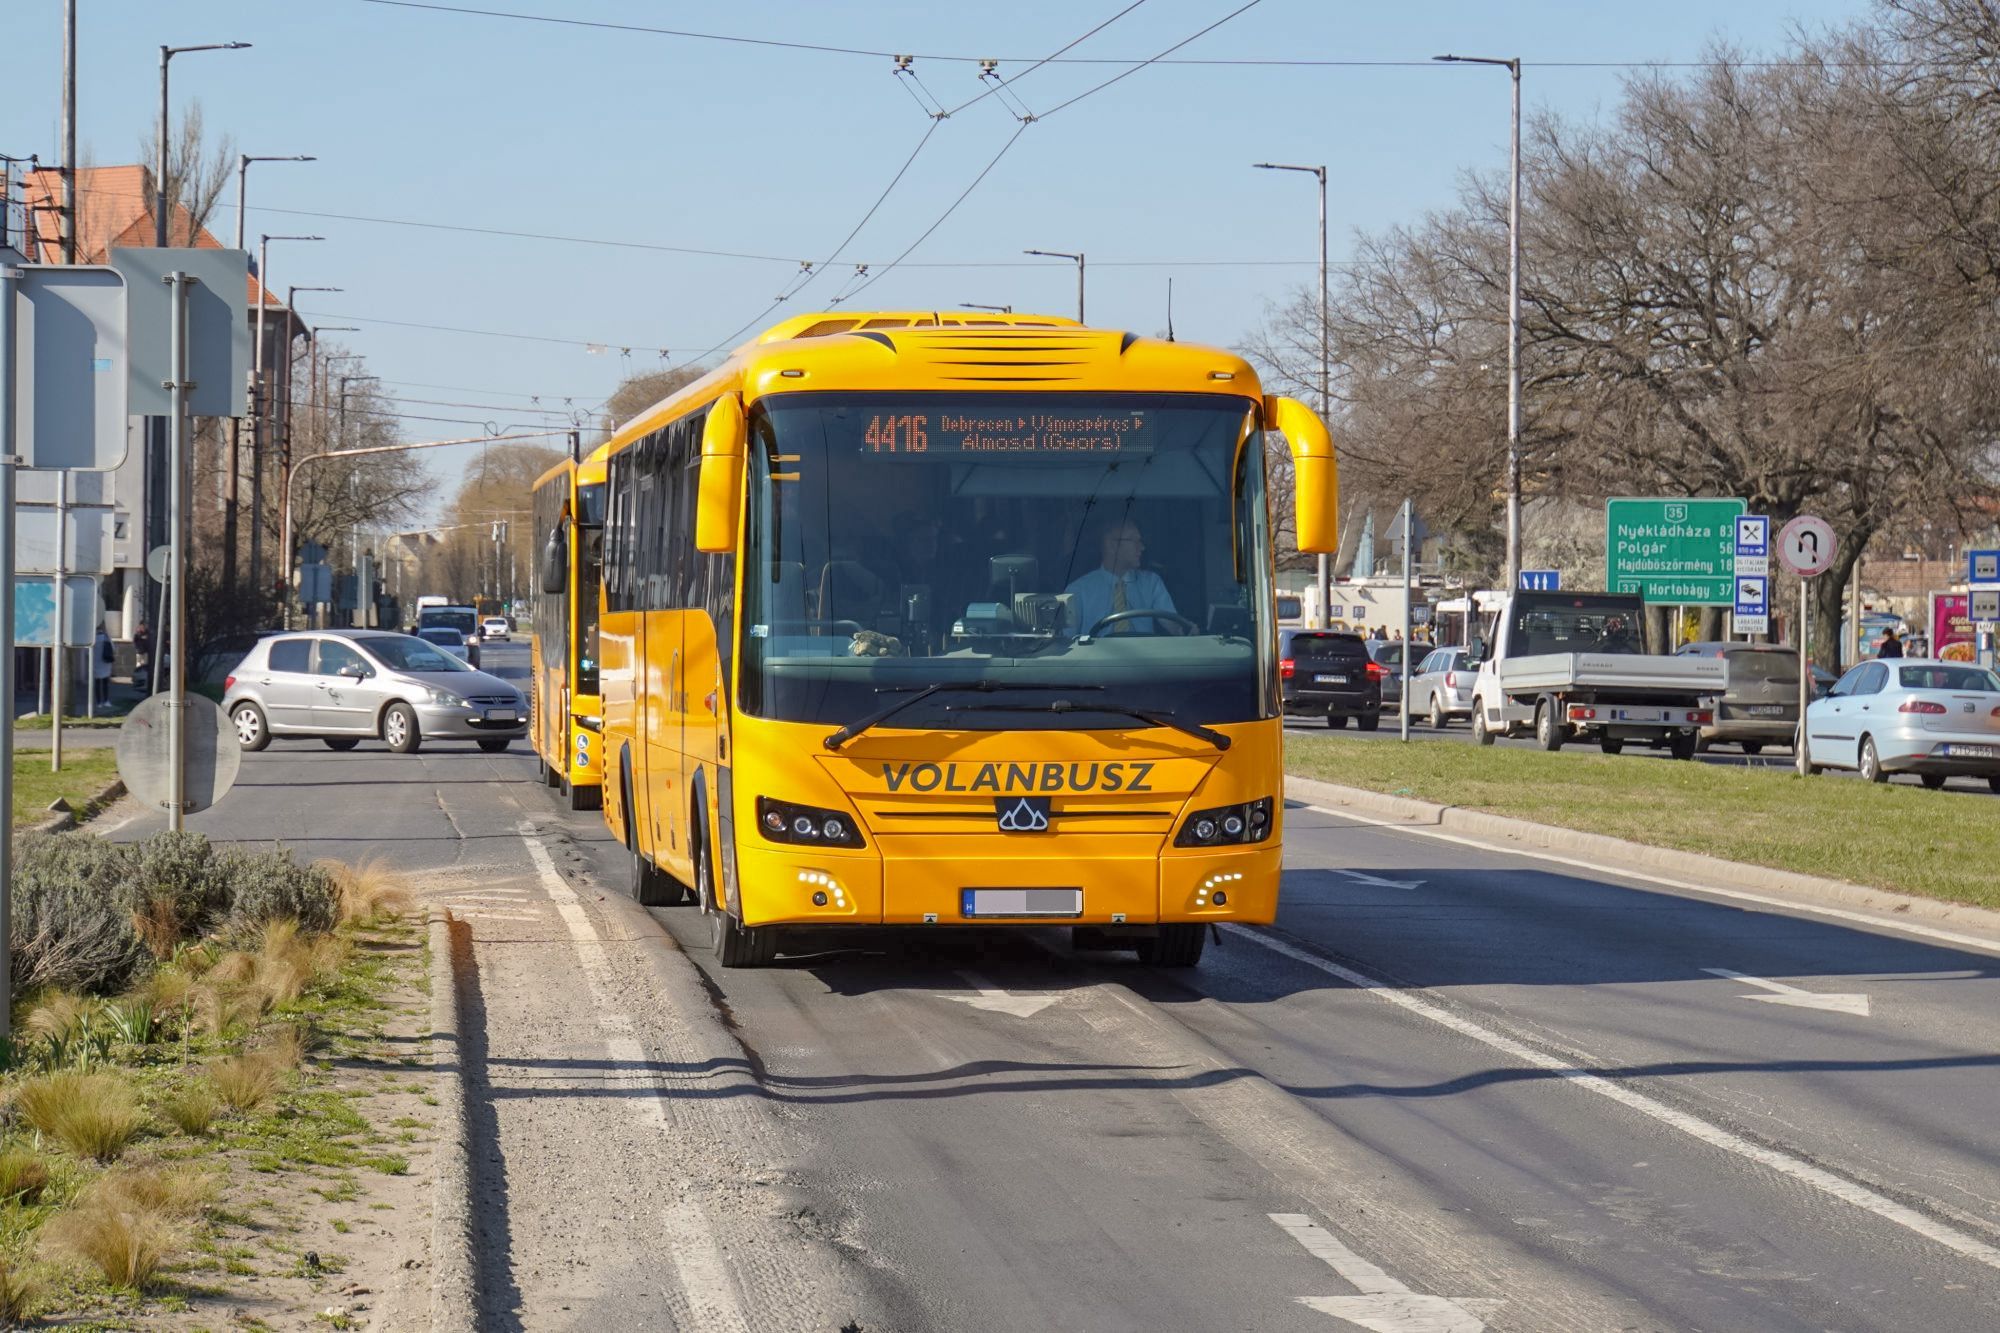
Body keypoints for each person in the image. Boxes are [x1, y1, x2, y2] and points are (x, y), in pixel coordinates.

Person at [1064, 518, 1176, 634]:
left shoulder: (1152, 582)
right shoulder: (1077, 590)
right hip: (1096, 652)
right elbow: (1067, 641)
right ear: (1112, 545)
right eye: (1134, 541)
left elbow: (1172, 623)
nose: (1142, 547)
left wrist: (1185, 631)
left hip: (1145, 651)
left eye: (1140, 541)